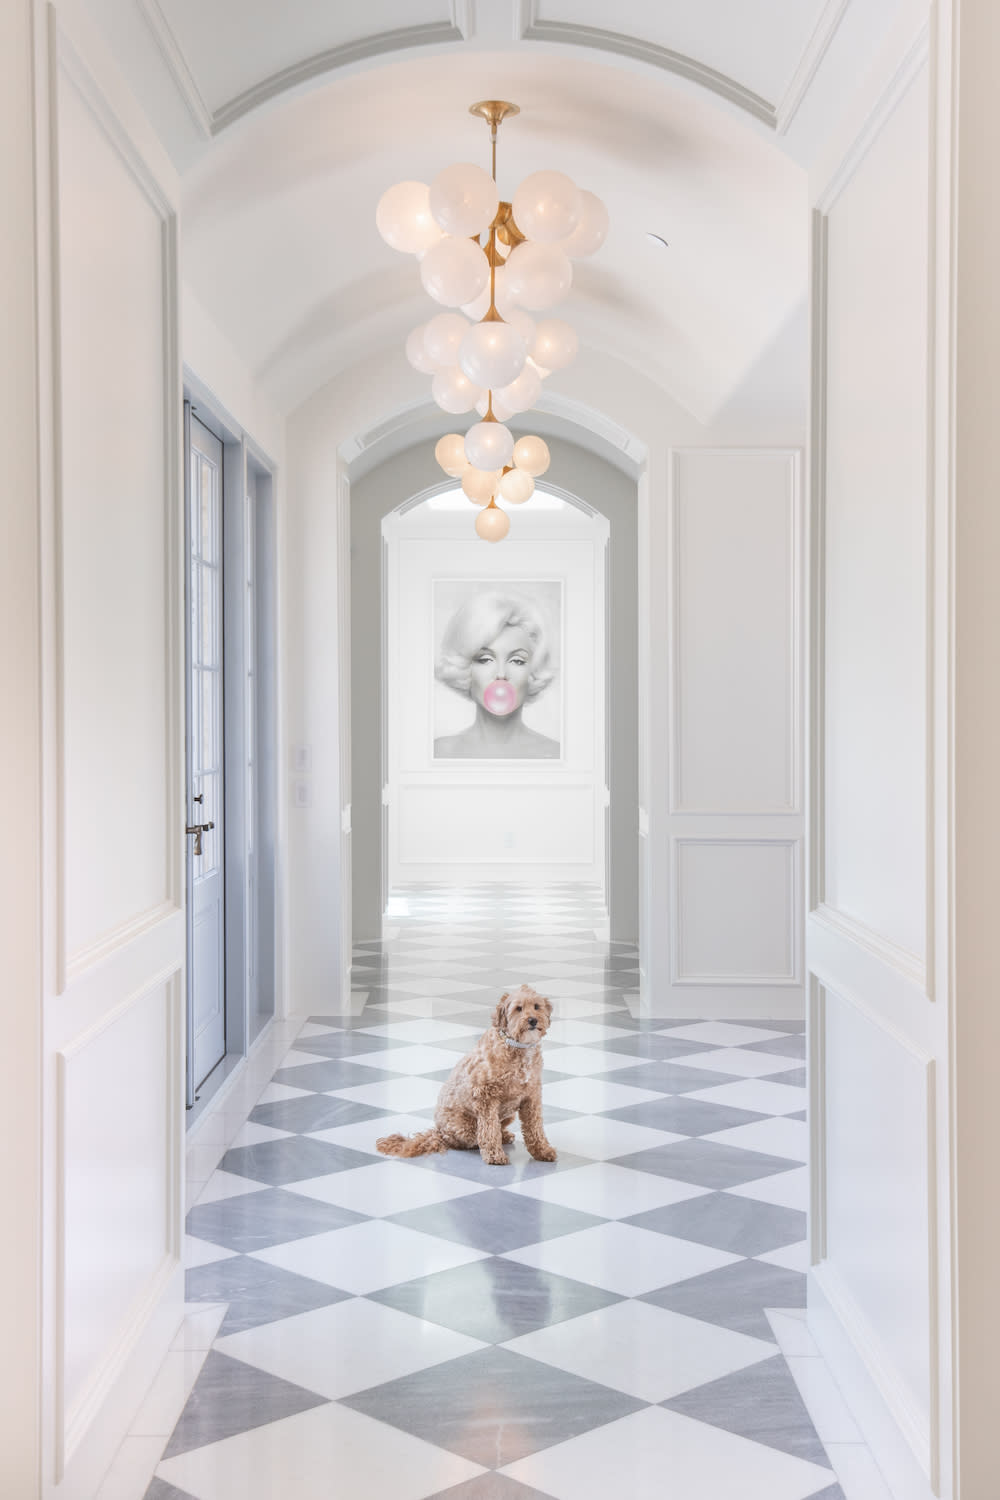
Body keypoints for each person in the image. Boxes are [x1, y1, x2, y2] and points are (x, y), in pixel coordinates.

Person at [434, 591, 560, 759]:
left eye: (517, 661)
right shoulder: (438, 753)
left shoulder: (555, 754)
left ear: (533, 671)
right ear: (465, 668)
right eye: (485, 659)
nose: (501, 674)